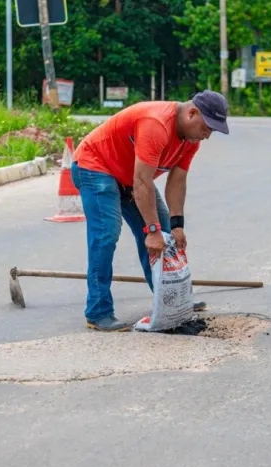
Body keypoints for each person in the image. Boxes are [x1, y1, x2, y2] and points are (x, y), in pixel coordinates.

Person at [71, 90, 229, 332]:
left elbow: (177, 182)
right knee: (106, 234)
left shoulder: (190, 140)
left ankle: (171, 299)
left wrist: (176, 225)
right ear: (192, 113)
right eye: (207, 126)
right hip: (96, 167)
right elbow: (142, 182)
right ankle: (98, 311)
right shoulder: (156, 124)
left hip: (130, 177)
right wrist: (151, 230)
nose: (208, 134)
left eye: (213, 130)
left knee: (165, 232)